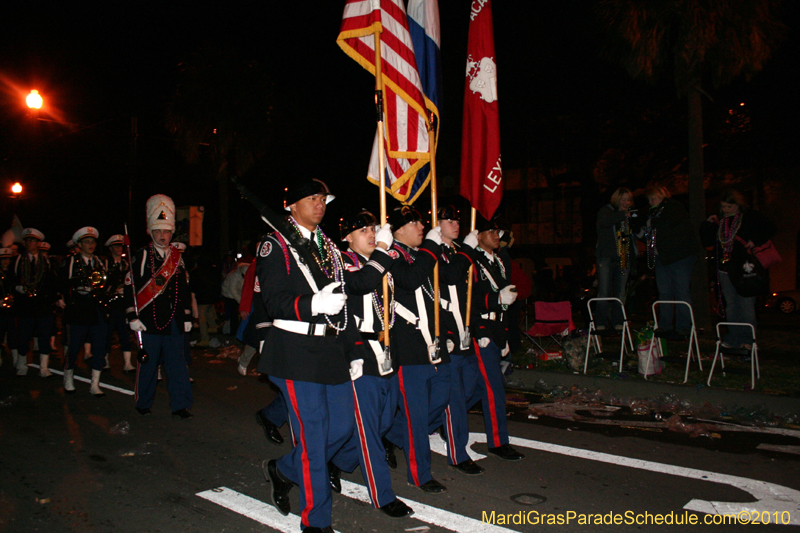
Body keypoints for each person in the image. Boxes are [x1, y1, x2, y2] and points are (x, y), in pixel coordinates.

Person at [257, 178, 358, 533]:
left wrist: (353, 348)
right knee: (313, 439)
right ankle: (315, 521)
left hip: (330, 349)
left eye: (323, 199)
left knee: (345, 427)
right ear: (292, 206)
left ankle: (283, 469)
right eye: (312, 198)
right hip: (296, 351)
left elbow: (345, 300)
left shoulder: (327, 246)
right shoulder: (275, 245)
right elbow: (274, 300)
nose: (320, 204)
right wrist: (314, 303)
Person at [327, 210, 414, 518]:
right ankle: (382, 495)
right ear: (347, 237)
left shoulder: (381, 262)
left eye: (373, 228)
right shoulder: (341, 263)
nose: (370, 234)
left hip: (387, 350)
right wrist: (382, 253)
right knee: (369, 432)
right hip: (360, 352)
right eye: (363, 229)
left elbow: (410, 282)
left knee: (385, 421)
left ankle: (336, 463)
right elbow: (361, 285)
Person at [382, 205, 449, 494]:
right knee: (417, 415)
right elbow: (409, 280)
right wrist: (433, 245)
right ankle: (419, 475)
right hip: (408, 347)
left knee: (442, 398)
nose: (422, 227)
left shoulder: (415, 255)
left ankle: (391, 434)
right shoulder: (392, 255)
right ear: (398, 230)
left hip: (432, 344)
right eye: (415, 223)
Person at [124, 194, 194, 418]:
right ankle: (143, 402)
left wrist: (187, 318)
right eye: (158, 231)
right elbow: (130, 288)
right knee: (148, 364)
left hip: (173, 320)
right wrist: (131, 316)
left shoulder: (177, 257)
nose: (163, 236)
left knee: (177, 365)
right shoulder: (143, 255)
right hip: (149, 320)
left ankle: (180, 405)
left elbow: (183, 291)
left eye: (166, 232)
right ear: (151, 232)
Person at [432, 205, 487, 476]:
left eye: (457, 219)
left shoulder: (457, 252)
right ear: (436, 223)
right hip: (447, 336)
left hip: (466, 333)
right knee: (453, 397)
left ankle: (404, 430)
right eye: (449, 220)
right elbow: (451, 275)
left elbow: (469, 293)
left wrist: (480, 328)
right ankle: (458, 453)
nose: (455, 224)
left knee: (473, 387)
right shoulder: (431, 252)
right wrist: (468, 249)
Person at [466, 215, 525, 462]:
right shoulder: (472, 262)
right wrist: (480, 332)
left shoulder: (498, 261)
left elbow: (507, 296)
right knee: (494, 388)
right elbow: (470, 299)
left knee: (471, 389)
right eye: (491, 231)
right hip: (483, 331)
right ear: (478, 236)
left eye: (498, 232)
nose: (496, 236)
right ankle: (498, 442)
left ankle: (440, 417)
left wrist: (506, 335)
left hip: (498, 329)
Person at [700, 188, 776, 349]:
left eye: (729, 207)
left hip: (744, 269)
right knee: (731, 305)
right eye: (723, 207)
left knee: (746, 305)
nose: (726, 210)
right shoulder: (721, 222)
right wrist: (708, 224)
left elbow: (770, 228)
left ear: (737, 205)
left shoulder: (748, 217)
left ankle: (747, 340)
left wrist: (754, 241)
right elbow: (706, 241)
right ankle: (733, 338)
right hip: (725, 269)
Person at [639, 186, 701, 340]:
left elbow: (663, 229)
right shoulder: (652, 213)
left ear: (662, 196)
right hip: (663, 257)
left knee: (681, 290)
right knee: (664, 291)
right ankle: (665, 326)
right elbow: (650, 236)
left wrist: (649, 227)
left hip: (679, 256)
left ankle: (683, 327)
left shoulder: (673, 207)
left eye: (654, 198)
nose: (652, 202)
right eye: (650, 200)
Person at [58, 227, 109, 396]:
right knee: (73, 347)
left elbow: (105, 283)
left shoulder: (100, 261)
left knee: (100, 347)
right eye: (87, 242)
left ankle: (95, 383)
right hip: (77, 310)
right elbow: (63, 283)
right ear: (79, 245)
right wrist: (75, 290)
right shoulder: (71, 261)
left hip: (96, 310)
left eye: (93, 242)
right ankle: (68, 376)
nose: (91, 245)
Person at [12, 228, 58, 377]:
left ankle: (43, 367)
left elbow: (52, 282)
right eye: (27, 241)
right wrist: (17, 288)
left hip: (43, 305)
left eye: (33, 241)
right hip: (25, 305)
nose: (30, 243)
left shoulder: (46, 261)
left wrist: (54, 299)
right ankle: (21, 364)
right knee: (24, 336)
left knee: (44, 336)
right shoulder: (18, 260)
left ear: (38, 243)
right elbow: (10, 280)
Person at [594, 187, 635, 333]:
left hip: (623, 255)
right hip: (605, 256)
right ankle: (600, 322)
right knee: (604, 290)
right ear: (617, 199)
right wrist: (623, 215)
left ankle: (618, 321)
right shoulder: (607, 211)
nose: (626, 203)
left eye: (628, 200)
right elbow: (605, 222)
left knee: (621, 292)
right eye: (623, 199)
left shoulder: (630, 215)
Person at [104, 234, 135, 373]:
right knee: (107, 334)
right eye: (116, 246)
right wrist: (113, 289)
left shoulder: (126, 263)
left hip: (122, 304)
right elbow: (100, 283)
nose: (119, 248)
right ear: (110, 248)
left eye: (120, 246)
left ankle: (127, 363)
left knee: (124, 333)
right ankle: (104, 360)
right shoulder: (104, 263)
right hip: (109, 303)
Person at [0, 248, 15, 367]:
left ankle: (16, 358)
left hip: (12, 308)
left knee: (13, 332)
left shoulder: (12, 273)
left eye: (8, 259)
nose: (6, 261)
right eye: (3, 259)